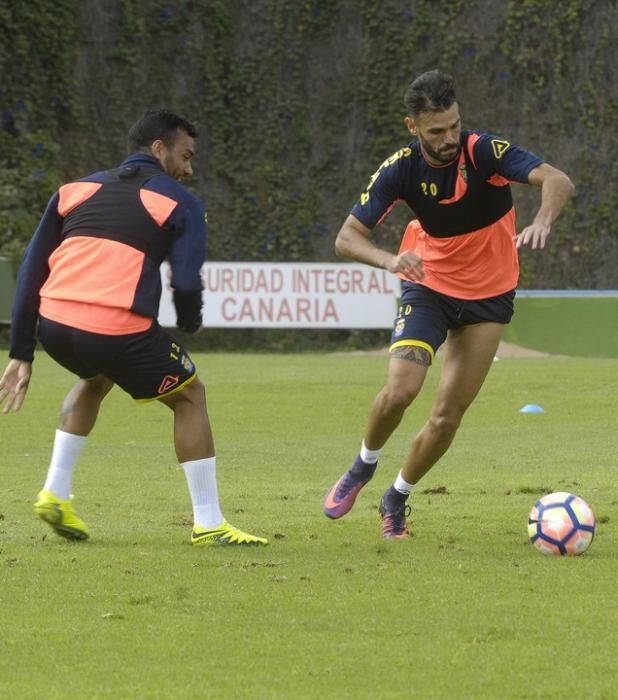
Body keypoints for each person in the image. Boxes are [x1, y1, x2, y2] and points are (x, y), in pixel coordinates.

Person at [323, 69, 574, 539]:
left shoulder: (483, 151)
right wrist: (392, 259)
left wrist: (543, 219)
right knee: (400, 391)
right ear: (412, 126)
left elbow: (556, 179)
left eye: (454, 125)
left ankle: (396, 497)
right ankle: (363, 465)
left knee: (445, 417)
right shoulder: (400, 168)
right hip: (430, 286)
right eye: (437, 131)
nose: (449, 138)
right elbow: (346, 239)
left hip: (490, 296)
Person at [0, 108, 267, 547]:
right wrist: (191, 321)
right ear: (158, 148)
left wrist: (21, 350)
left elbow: (32, 270)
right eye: (185, 155)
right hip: (113, 327)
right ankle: (209, 522)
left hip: (54, 325)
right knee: (190, 396)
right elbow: (184, 279)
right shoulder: (183, 203)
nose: (189, 168)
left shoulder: (74, 190)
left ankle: (55, 491)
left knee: (95, 377)